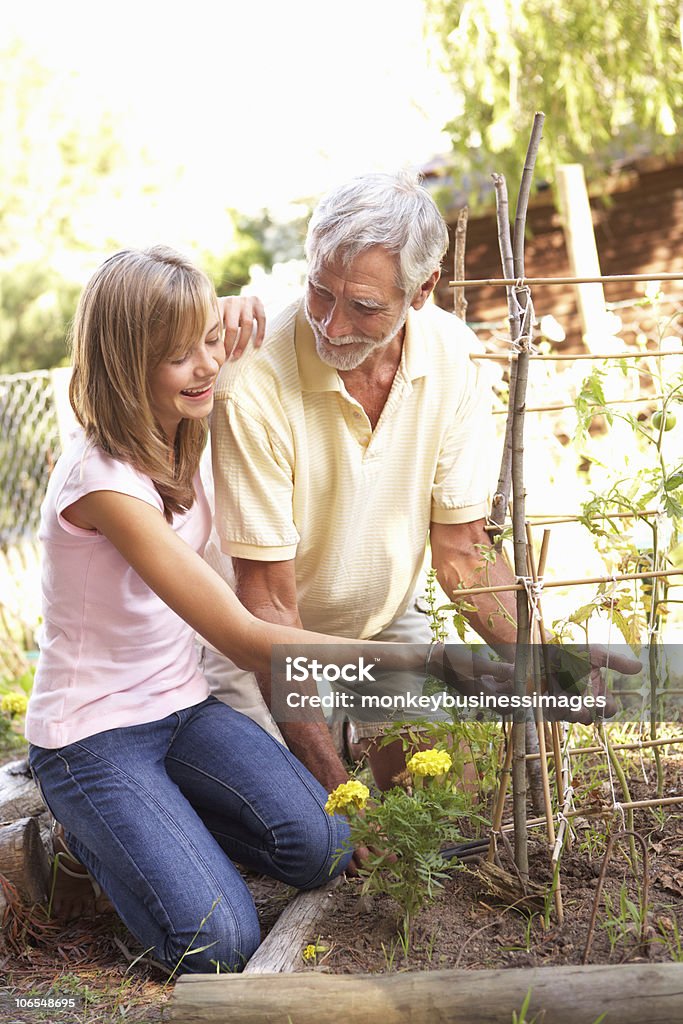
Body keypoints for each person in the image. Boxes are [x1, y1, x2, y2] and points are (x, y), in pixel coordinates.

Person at [25, 245, 456, 973]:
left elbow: (267, 326)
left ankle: (158, 827)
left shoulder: (186, 425)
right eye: (176, 356)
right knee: (217, 947)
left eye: (208, 345)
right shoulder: (101, 484)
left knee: (327, 847)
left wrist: (218, 319)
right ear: (125, 366)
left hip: (182, 711)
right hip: (92, 736)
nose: (204, 367)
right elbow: (243, 637)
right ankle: (92, 840)